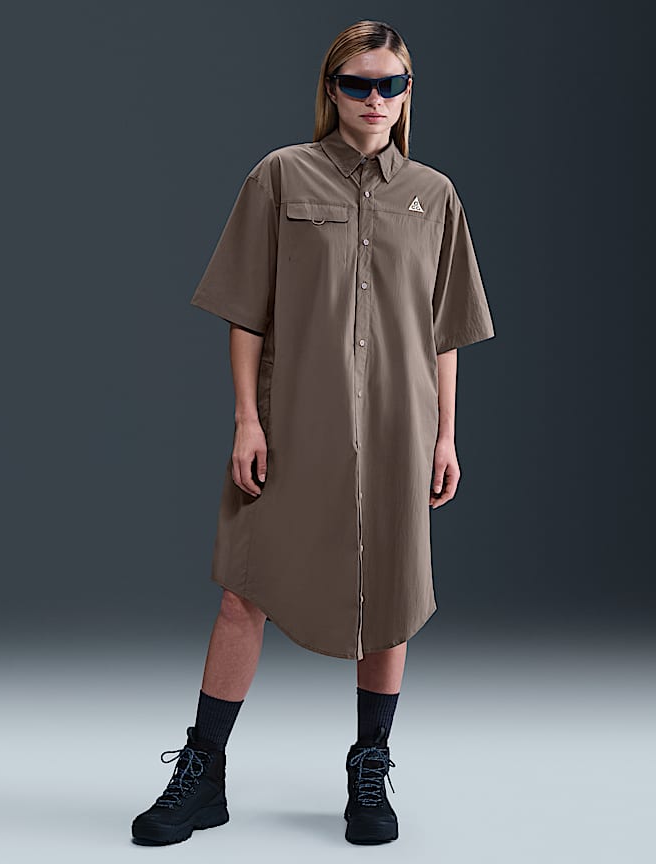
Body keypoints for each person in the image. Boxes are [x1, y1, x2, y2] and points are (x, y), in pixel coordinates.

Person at [131, 19, 495, 848]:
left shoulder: (434, 196)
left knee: (389, 595)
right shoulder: (280, 176)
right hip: (292, 421)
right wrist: (246, 420)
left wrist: (445, 437)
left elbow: (445, 332)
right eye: (358, 84)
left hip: (400, 426)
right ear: (332, 89)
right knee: (244, 589)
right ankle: (203, 772)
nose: (375, 100)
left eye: (391, 84)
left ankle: (370, 766)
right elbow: (245, 312)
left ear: (408, 93)